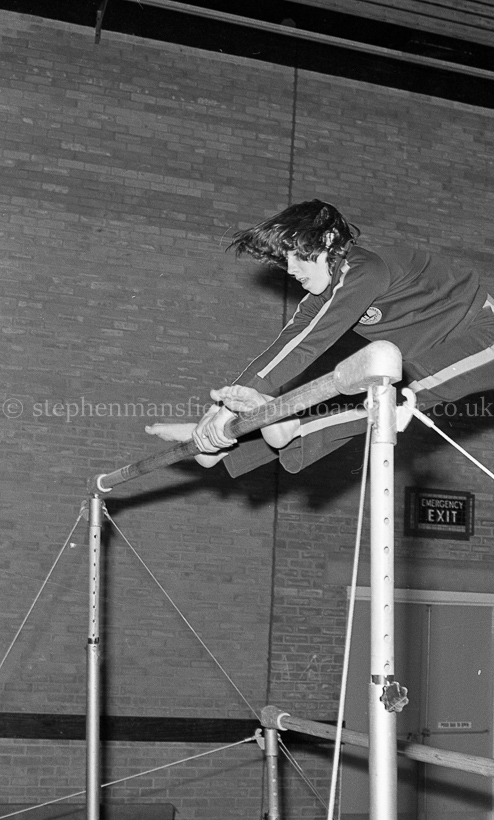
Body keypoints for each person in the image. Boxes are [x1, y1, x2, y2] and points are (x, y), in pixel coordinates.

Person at [146, 199, 494, 476]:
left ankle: (290, 426)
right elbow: (286, 347)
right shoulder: (320, 296)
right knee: (369, 387)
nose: (291, 270)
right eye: (285, 261)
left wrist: (224, 413)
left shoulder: (366, 270)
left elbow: (312, 343)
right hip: (438, 348)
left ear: (328, 241)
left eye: (297, 257)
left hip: (484, 332)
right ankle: (229, 446)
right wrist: (218, 414)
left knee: (405, 391)